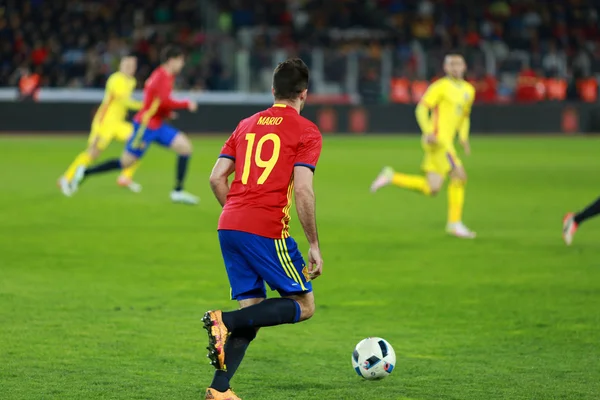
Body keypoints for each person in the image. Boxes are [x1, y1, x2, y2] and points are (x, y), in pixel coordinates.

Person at [203, 58, 323, 400]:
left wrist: (236, 214)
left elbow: (215, 178)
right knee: (303, 303)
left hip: (229, 225)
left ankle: (220, 388)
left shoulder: (246, 124)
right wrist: (313, 244)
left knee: (252, 311)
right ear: (304, 94)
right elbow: (302, 189)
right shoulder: (306, 130)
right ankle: (222, 320)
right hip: (265, 227)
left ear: (273, 91)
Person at [71, 46, 199, 205]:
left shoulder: (166, 76)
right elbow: (165, 101)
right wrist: (186, 104)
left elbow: (157, 102)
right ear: (171, 60)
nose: (182, 65)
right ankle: (85, 172)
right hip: (145, 127)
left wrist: (166, 114)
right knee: (126, 162)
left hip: (157, 124)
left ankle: (178, 191)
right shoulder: (160, 77)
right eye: (180, 61)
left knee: (185, 147)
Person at [371, 52, 477, 238]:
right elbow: (421, 108)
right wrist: (428, 131)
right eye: (451, 64)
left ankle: (391, 176)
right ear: (445, 68)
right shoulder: (440, 87)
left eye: (458, 64)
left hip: (447, 142)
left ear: (464, 66)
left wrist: (463, 137)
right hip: (438, 141)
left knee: (432, 187)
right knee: (459, 176)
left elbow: (464, 116)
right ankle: (454, 223)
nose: (455, 67)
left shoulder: (469, 90)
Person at [58, 54, 142, 196]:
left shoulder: (131, 81)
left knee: (139, 141)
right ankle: (66, 178)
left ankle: (125, 177)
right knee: (93, 153)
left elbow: (122, 104)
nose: (130, 68)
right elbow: (123, 100)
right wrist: (144, 106)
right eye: (127, 65)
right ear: (121, 65)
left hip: (118, 123)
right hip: (105, 123)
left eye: (133, 66)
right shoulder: (115, 79)